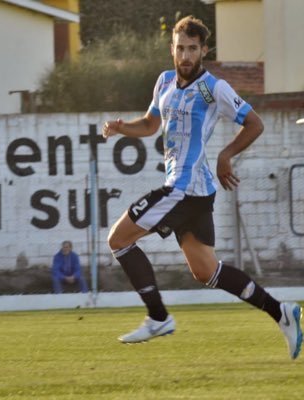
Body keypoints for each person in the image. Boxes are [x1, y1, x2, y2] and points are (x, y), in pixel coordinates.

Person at [102, 16, 302, 359]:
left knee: (118, 239)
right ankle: (280, 311)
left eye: (193, 49)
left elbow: (255, 124)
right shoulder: (164, 81)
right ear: (172, 49)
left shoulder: (214, 88)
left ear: (204, 50)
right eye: (180, 48)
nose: (186, 56)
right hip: (193, 191)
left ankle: (158, 317)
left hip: (185, 188)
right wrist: (123, 128)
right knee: (206, 272)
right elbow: (151, 124)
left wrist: (226, 155)